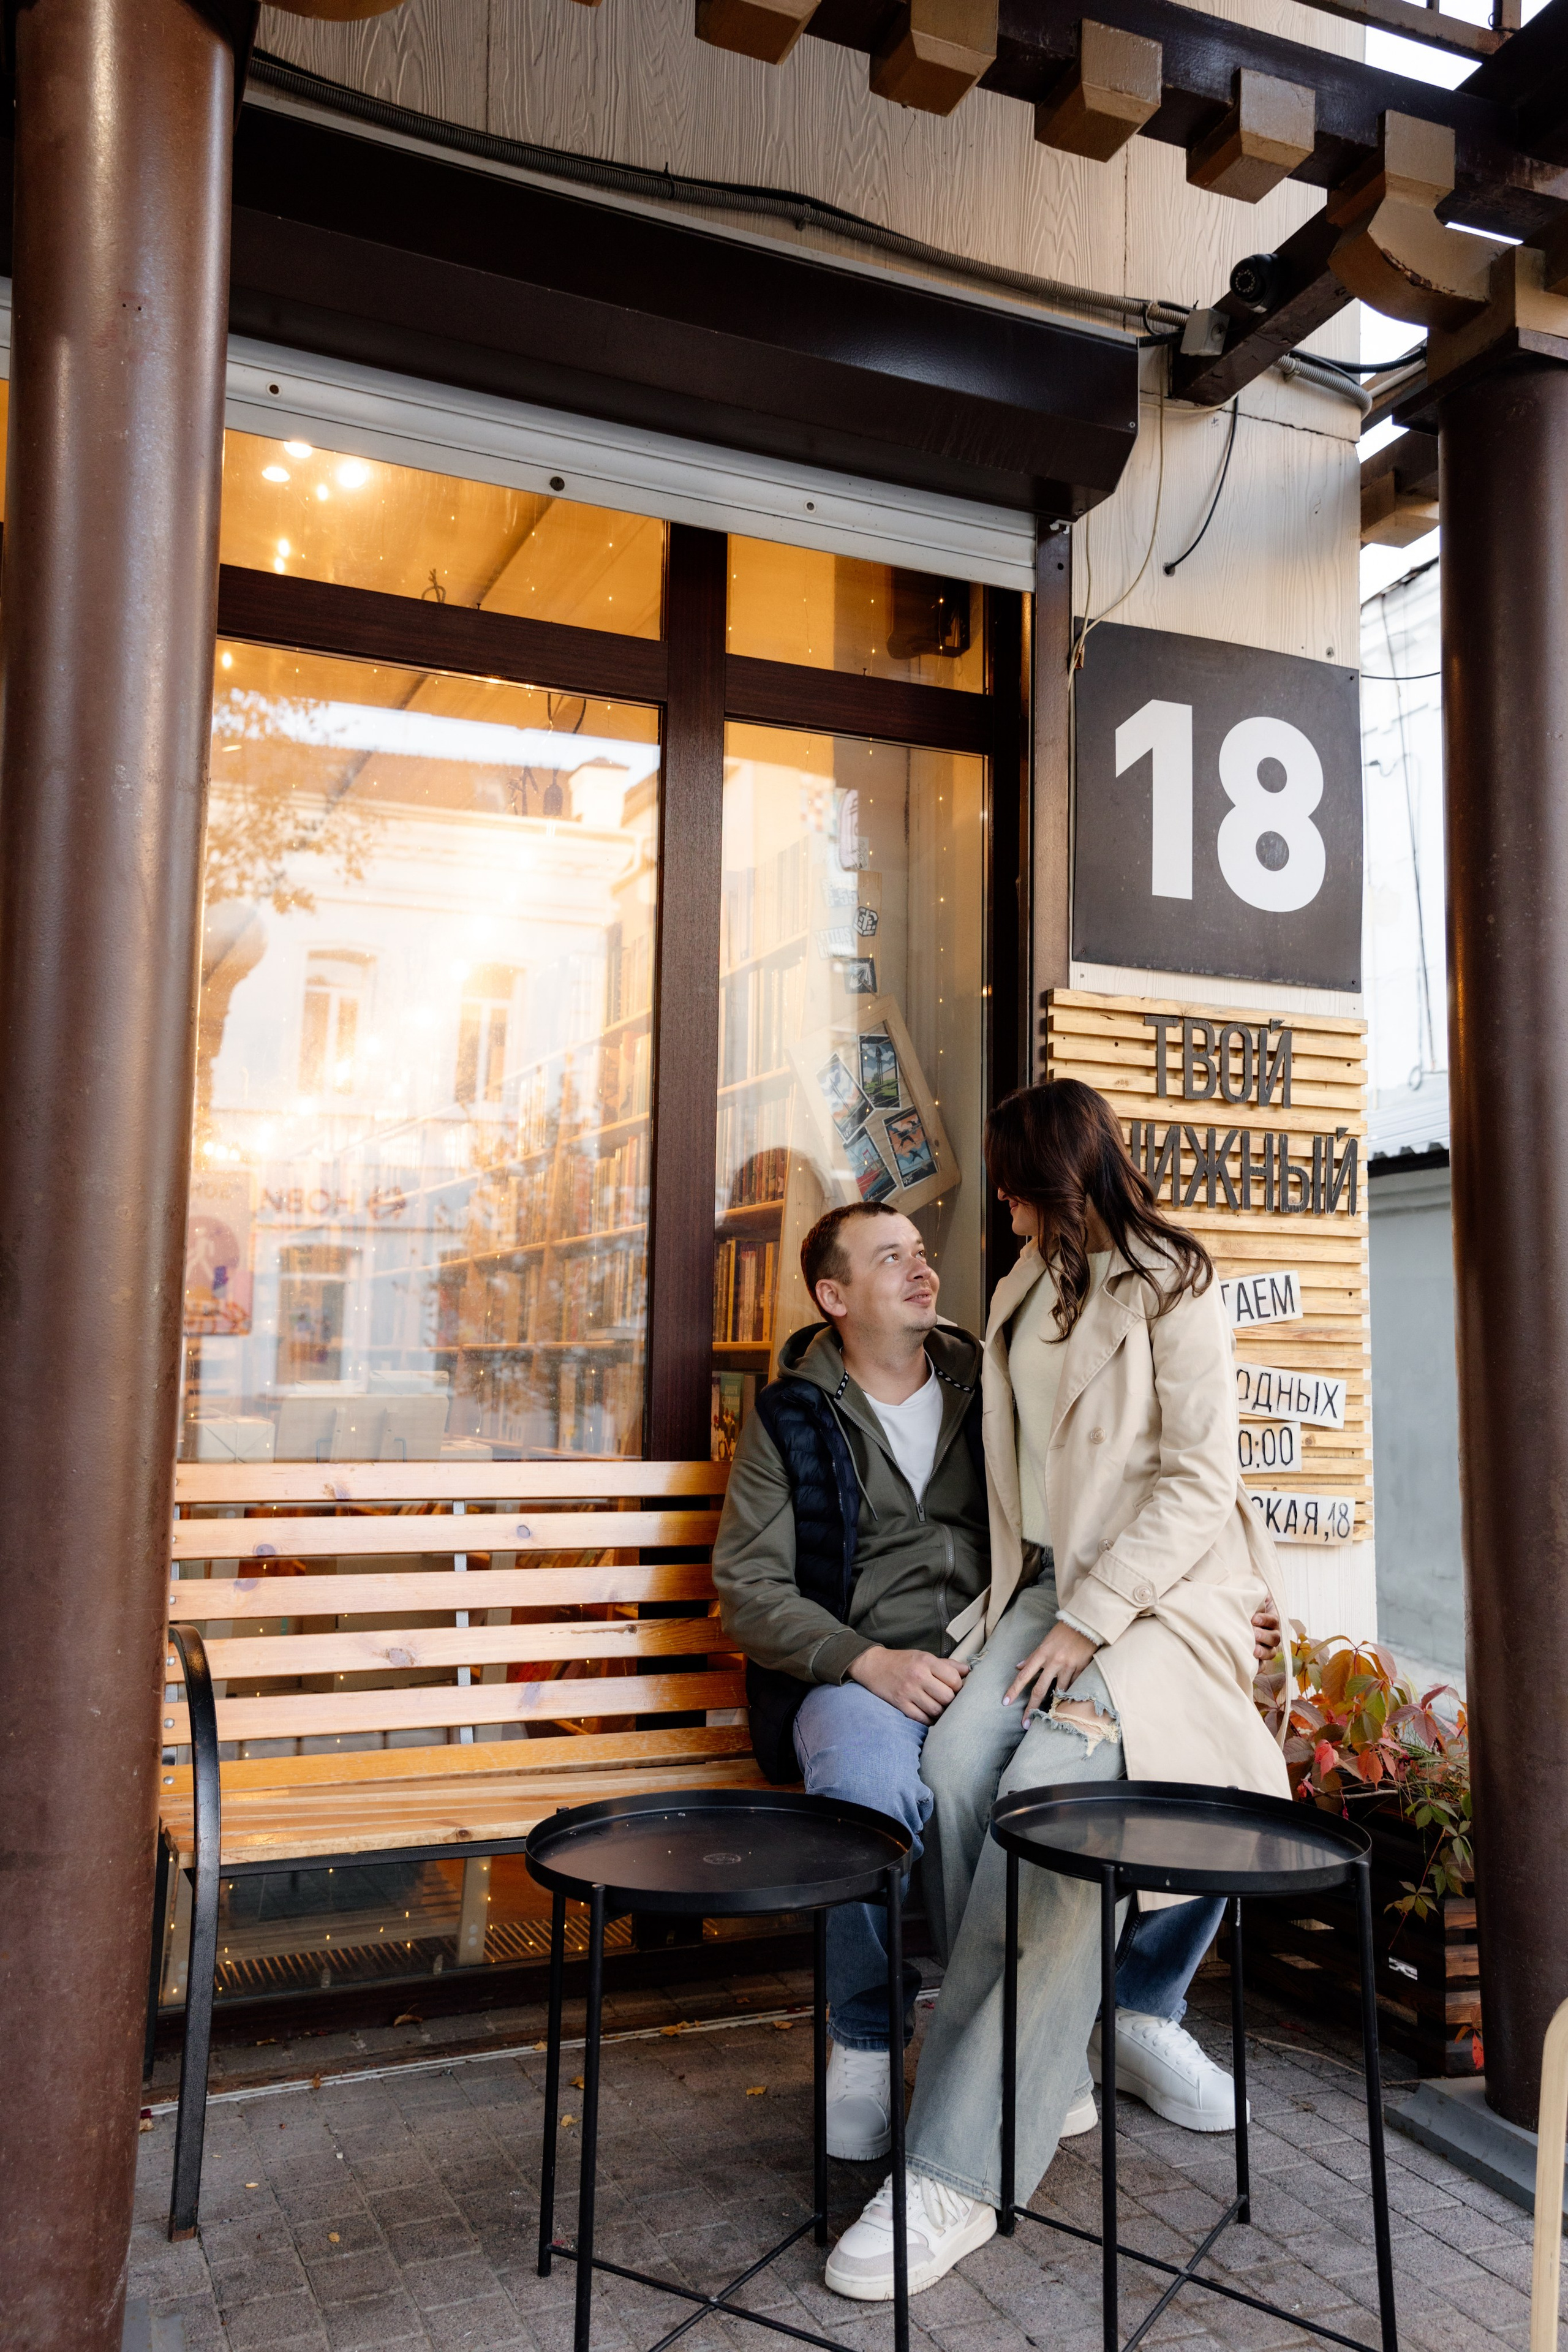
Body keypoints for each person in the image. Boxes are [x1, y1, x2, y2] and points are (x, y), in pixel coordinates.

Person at [823, 1081, 1292, 2302]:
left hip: (1154, 1601)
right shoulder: (1023, 1288)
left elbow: (1197, 1481)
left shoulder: (1176, 1286)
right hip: (1044, 1591)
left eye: (1007, 1173)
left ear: (1046, 1174)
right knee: (951, 1765)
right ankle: (1047, 2060)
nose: (996, 1195)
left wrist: (1094, 1619)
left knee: (1048, 1804)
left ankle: (956, 2166)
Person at [712, 1193, 1278, 2166]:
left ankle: (1136, 2011)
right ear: (834, 1296)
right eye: (890, 1258)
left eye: (920, 1250)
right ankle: (867, 2033)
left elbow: (1141, 1464)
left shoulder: (987, 1372)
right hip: (863, 1670)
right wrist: (867, 1661)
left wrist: (1225, 1591)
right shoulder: (792, 1417)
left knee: (1185, 1743)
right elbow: (749, 1590)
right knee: (865, 1794)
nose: (922, 1268)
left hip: (1004, 1642)